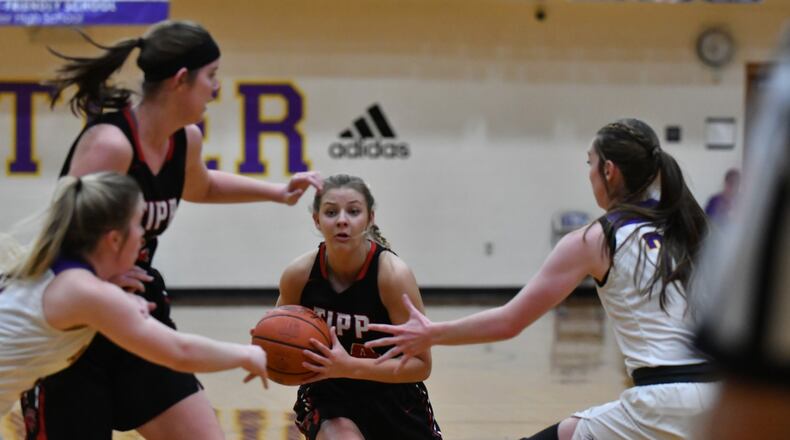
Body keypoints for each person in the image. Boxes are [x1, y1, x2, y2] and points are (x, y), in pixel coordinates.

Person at [23, 20, 322, 440]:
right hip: (76, 333)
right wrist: (101, 279)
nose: (217, 88)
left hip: (138, 313)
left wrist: (277, 191)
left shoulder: (186, 140)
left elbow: (202, 185)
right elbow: (57, 234)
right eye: (211, 76)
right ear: (183, 80)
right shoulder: (112, 144)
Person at [367, 119, 719, 440]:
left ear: (608, 170)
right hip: (723, 393)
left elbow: (509, 322)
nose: (590, 173)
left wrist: (431, 333)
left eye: (589, 163)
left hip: (661, 402)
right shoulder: (689, 228)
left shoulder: (597, 239)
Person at [0, 172, 268, 420]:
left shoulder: (62, 272)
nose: (143, 235)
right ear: (114, 239)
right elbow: (179, 352)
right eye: (139, 224)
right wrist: (245, 355)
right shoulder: (85, 291)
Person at [276, 174, 442, 440]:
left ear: (369, 218)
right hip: (329, 396)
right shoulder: (299, 275)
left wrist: (348, 366)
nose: (342, 220)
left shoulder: (392, 276)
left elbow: (421, 365)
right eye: (331, 212)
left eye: (353, 211)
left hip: (393, 395)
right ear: (317, 220)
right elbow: (276, 342)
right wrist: (266, 355)